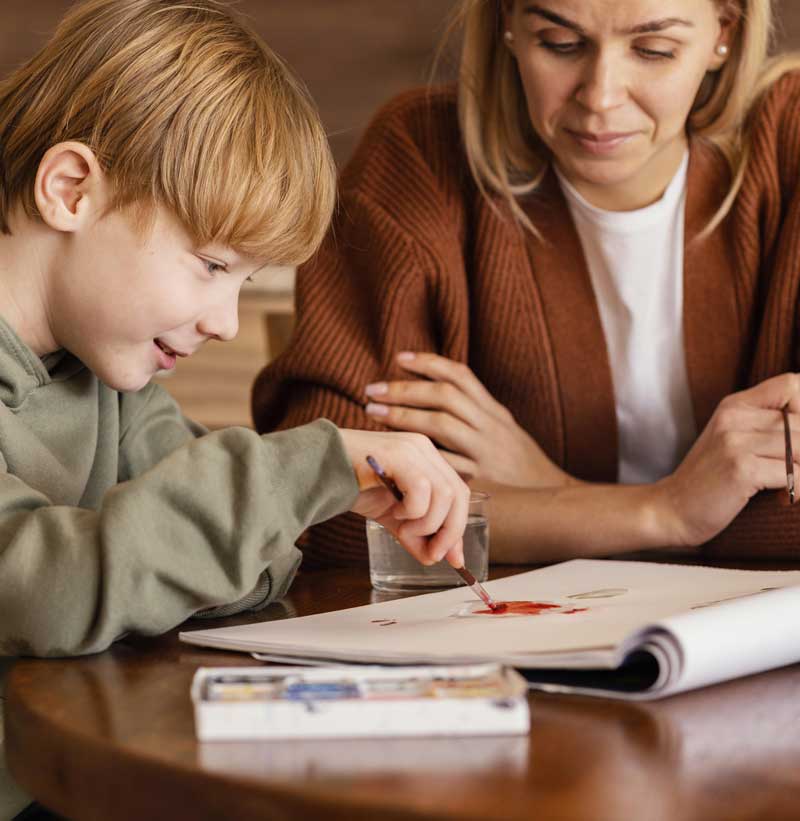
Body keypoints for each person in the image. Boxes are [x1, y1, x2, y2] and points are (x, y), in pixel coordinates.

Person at [0, 0, 470, 815]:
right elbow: (45, 590)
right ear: (71, 190)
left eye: (244, 283)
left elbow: (249, 574)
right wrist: (310, 467)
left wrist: (316, 491)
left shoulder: (110, 380)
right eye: (211, 265)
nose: (223, 321)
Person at [253, 0, 800, 568]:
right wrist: (666, 512)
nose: (601, 97)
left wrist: (552, 493)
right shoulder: (420, 156)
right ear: (508, 25)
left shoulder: (791, 140)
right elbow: (328, 507)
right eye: (560, 44)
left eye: (653, 50)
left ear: (724, 34)